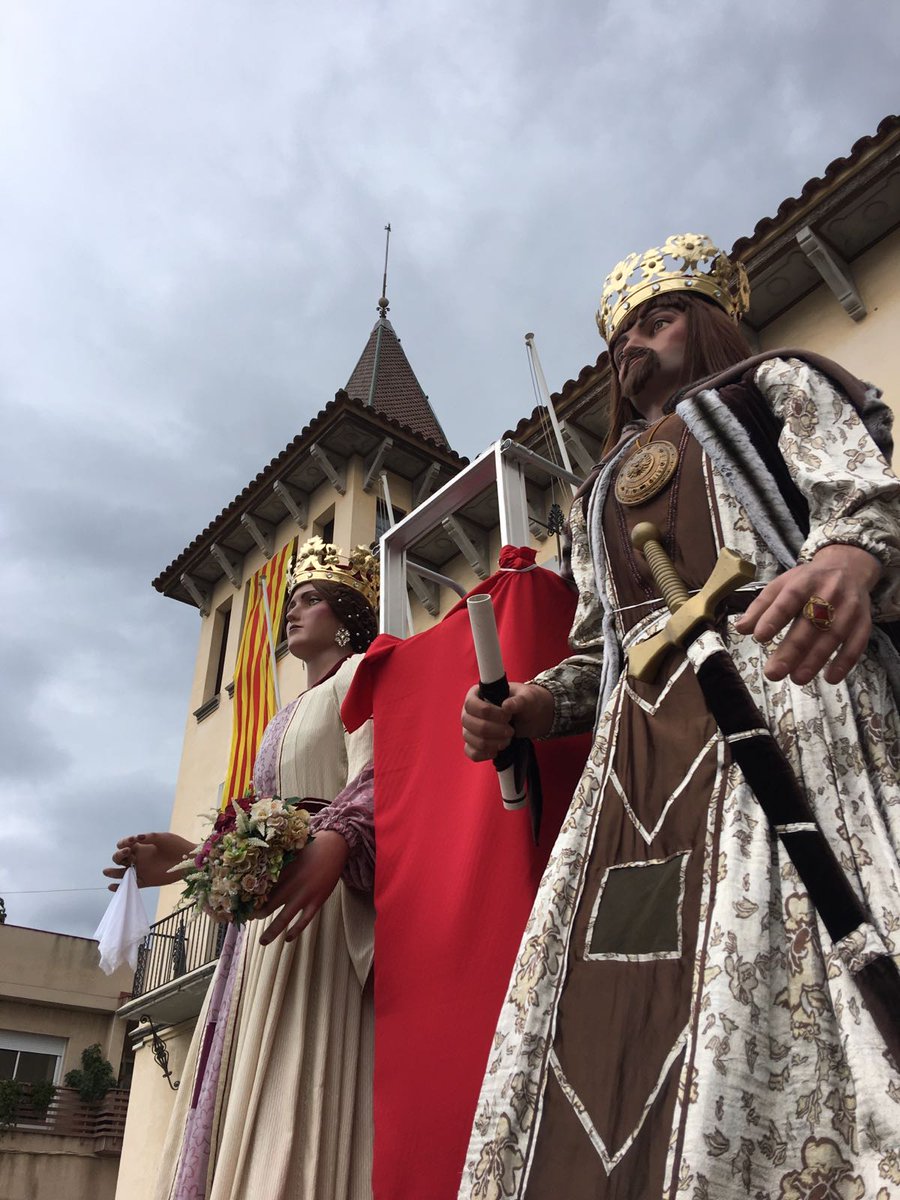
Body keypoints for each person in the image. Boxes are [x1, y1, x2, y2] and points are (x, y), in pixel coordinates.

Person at [458, 235, 900, 1198]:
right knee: (617, 1001)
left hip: (792, 692)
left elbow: (864, 501)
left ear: (708, 324)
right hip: (639, 764)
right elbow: (593, 656)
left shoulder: (775, 387)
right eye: (621, 336)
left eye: (657, 321)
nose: (632, 347)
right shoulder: (597, 487)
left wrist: (852, 560)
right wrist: (527, 705)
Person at [106, 538, 379, 1200]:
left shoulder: (363, 676)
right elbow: (263, 826)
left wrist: (338, 840)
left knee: (298, 1075)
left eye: (310, 600)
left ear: (346, 616)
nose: (293, 612)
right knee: (241, 1084)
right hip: (258, 938)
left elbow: (384, 775)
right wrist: (188, 862)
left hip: (323, 911)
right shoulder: (282, 716)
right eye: (291, 601)